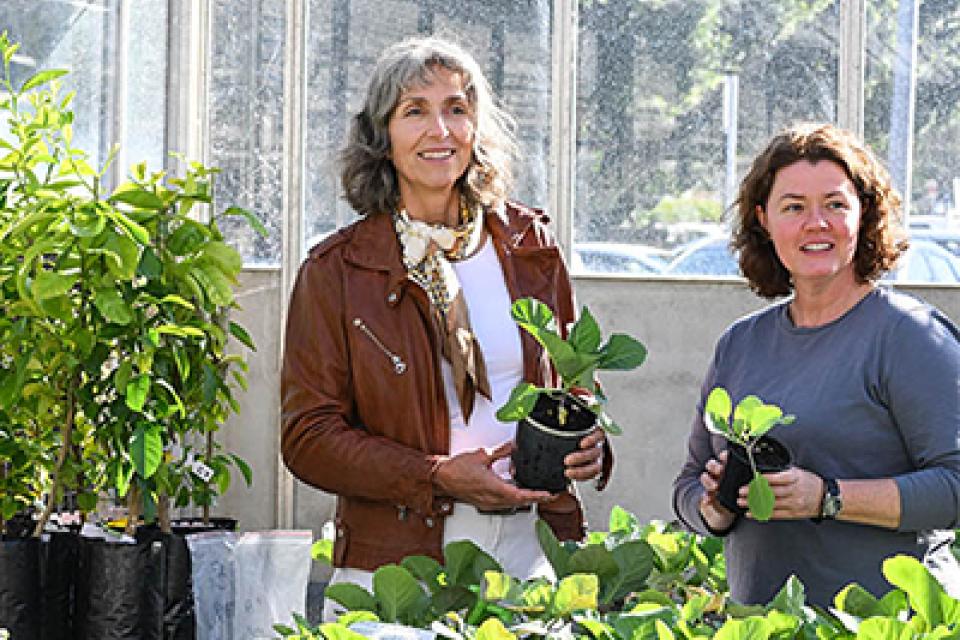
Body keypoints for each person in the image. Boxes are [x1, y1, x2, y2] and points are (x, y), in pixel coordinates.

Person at [280, 36, 611, 618]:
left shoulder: (530, 246)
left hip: (529, 551)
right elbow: (309, 439)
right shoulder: (337, 271)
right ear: (381, 138)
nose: (440, 130)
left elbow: (574, 383)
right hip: (398, 561)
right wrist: (438, 477)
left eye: (456, 108)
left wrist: (591, 446)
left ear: (476, 128)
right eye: (415, 111)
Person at [672, 123, 960, 607]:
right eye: (793, 207)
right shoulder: (740, 345)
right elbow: (689, 482)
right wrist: (713, 508)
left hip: (884, 623)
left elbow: (955, 484)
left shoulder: (908, 335)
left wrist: (828, 497)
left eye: (835, 204)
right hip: (760, 623)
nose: (816, 223)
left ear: (864, 213)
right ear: (763, 219)